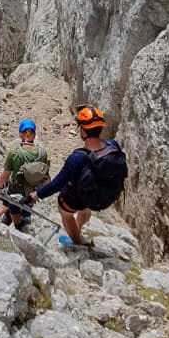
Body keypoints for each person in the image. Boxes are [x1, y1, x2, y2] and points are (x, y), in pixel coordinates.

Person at [32, 105, 128, 247]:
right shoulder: (113, 146)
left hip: (81, 198)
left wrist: (37, 195)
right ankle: (79, 226)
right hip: (102, 195)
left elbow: (57, 184)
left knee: (64, 210)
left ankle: (76, 242)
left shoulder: (78, 158)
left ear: (83, 130)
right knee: (85, 203)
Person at [0, 118, 50, 231]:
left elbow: (4, 178)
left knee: (13, 218)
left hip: (15, 194)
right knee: (25, 216)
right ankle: (24, 225)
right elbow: (45, 174)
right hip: (32, 194)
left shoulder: (15, 152)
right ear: (34, 134)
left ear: (21, 134)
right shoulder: (42, 153)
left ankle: (12, 228)